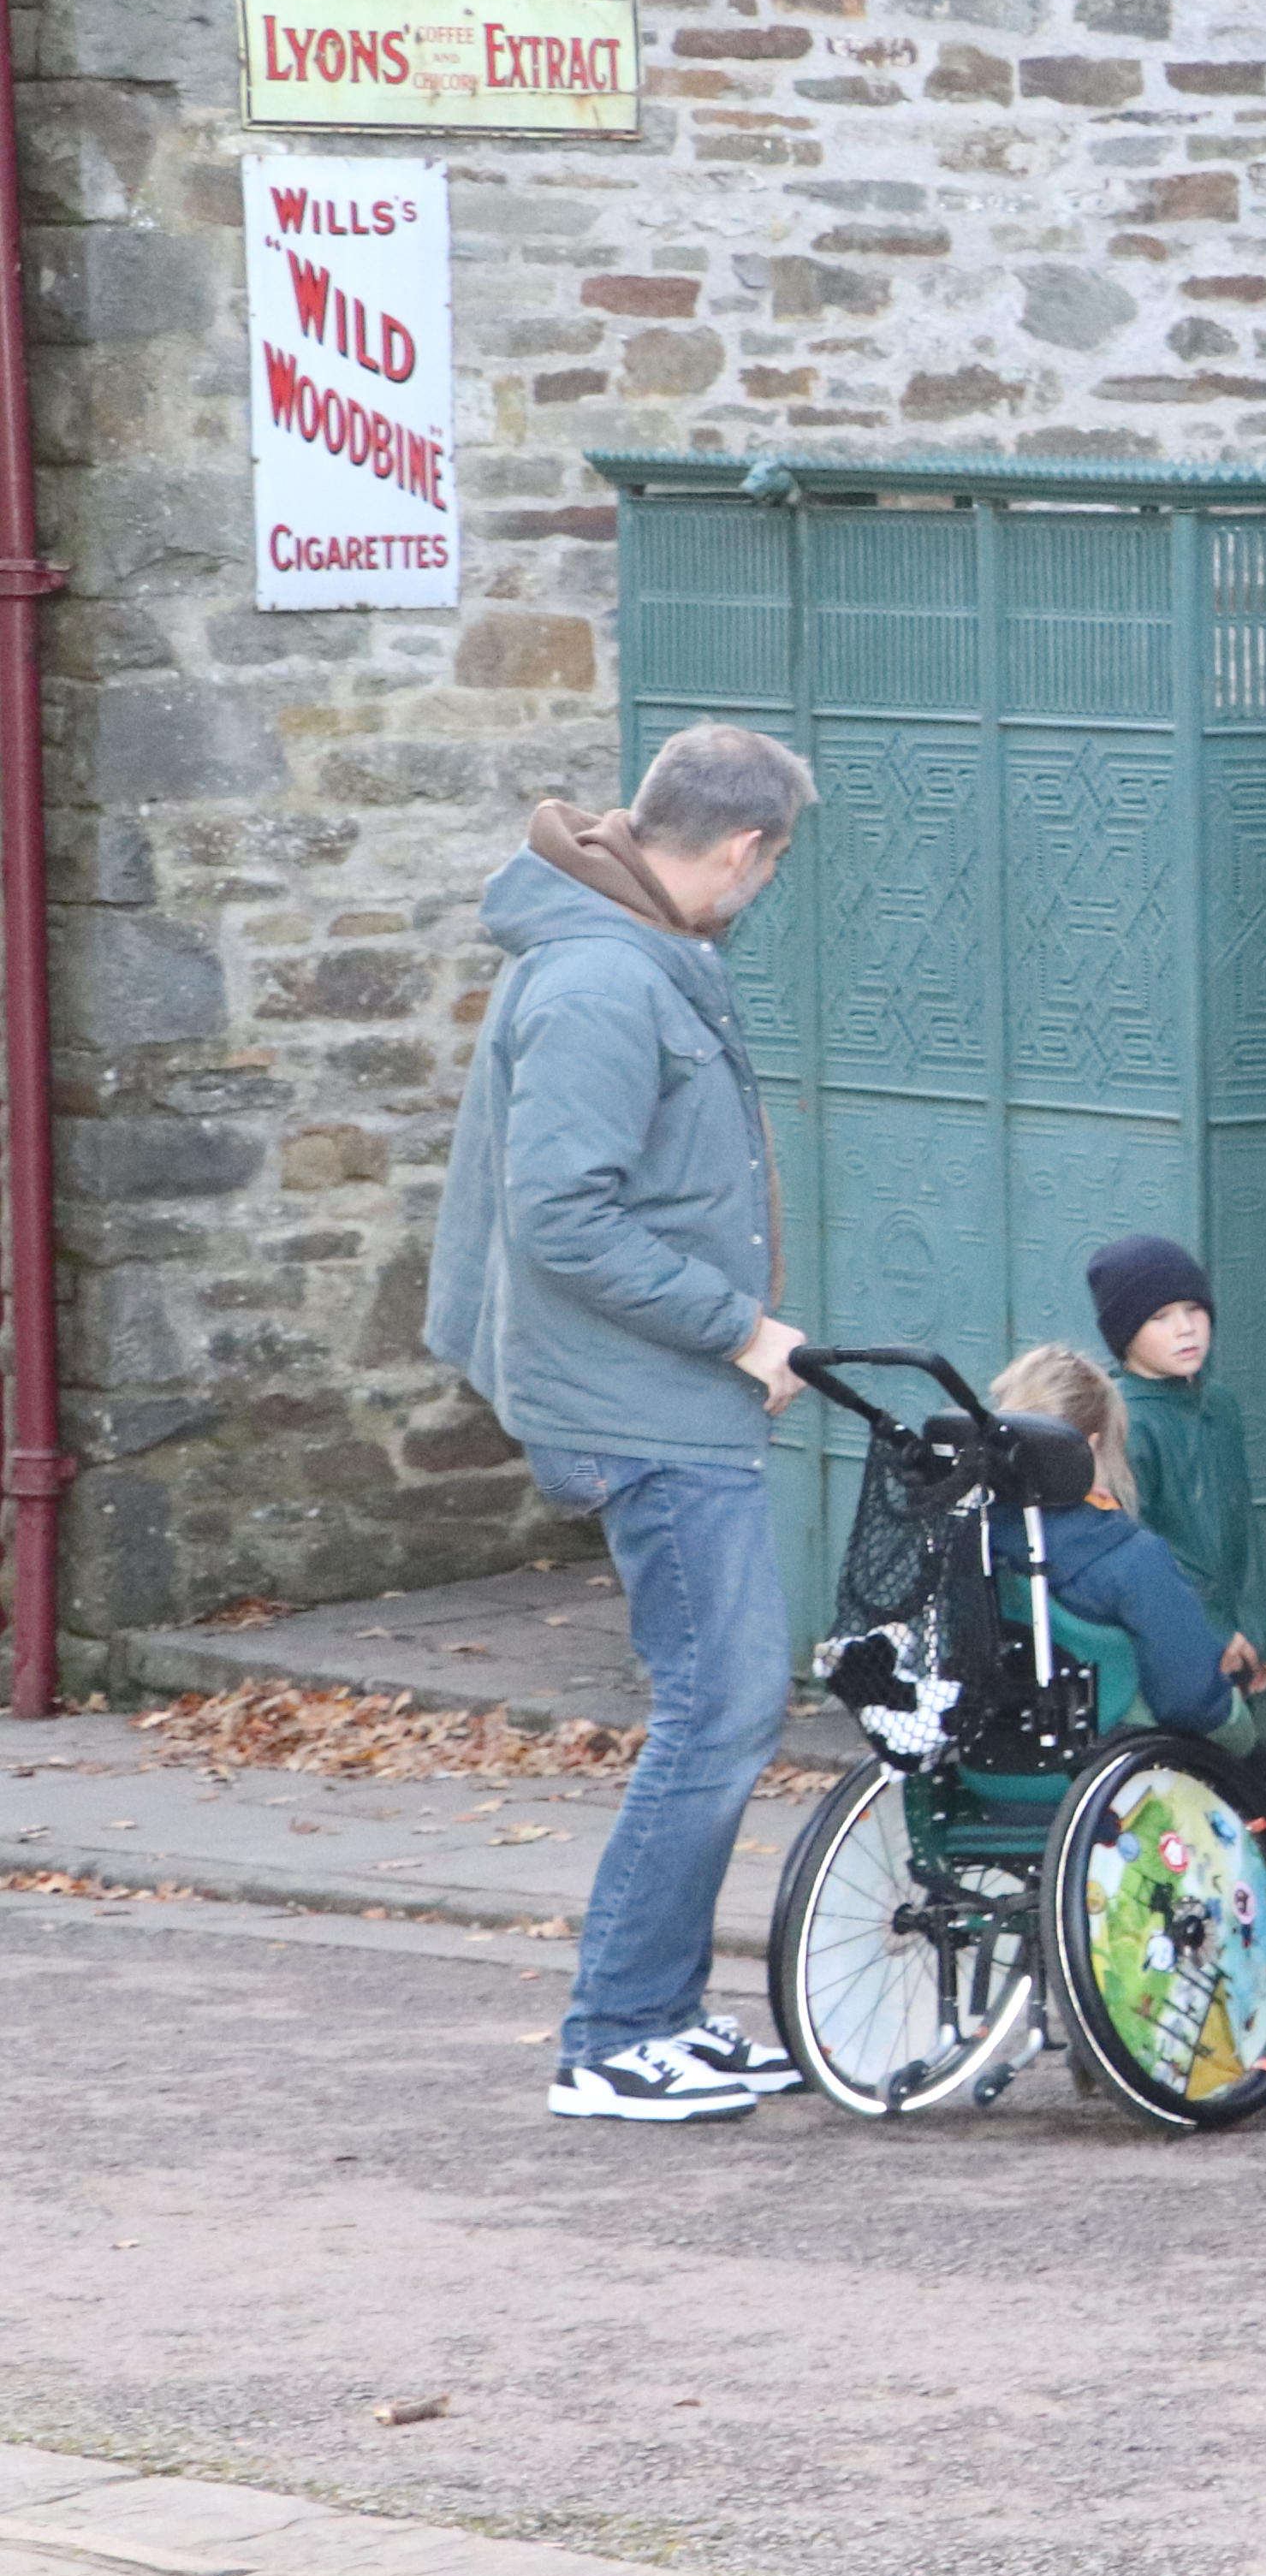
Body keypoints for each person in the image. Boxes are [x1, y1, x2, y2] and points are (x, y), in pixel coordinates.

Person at [424, 723, 820, 2124]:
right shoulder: (603, 978)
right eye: (768, 869)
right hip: (645, 1401)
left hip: (662, 1393)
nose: (758, 892)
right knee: (718, 1708)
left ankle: (656, 2015)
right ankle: (613, 2039)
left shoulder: (629, 950)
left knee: (722, 1706)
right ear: (741, 848)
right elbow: (563, 1221)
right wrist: (739, 1328)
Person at [983, 1343, 1266, 1816]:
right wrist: (1248, 1744)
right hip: (1117, 1789)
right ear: (1089, 1448)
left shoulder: (976, 1541)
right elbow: (1191, 1700)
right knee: (1261, 1773)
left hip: (992, 1774)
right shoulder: (1130, 1559)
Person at [1088, 1232, 1266, 1706]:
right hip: (1169, 1644)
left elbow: (1240, 1530)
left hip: (1237, 1641)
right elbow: (1136, 1549)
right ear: (1125, 1332)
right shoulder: (1124, 1421)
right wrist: (1209, 1631)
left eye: (1194, 1309)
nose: (1186, 1328)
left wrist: (1251, 1627)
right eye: (1159, 1317)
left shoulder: (1220, 1405)